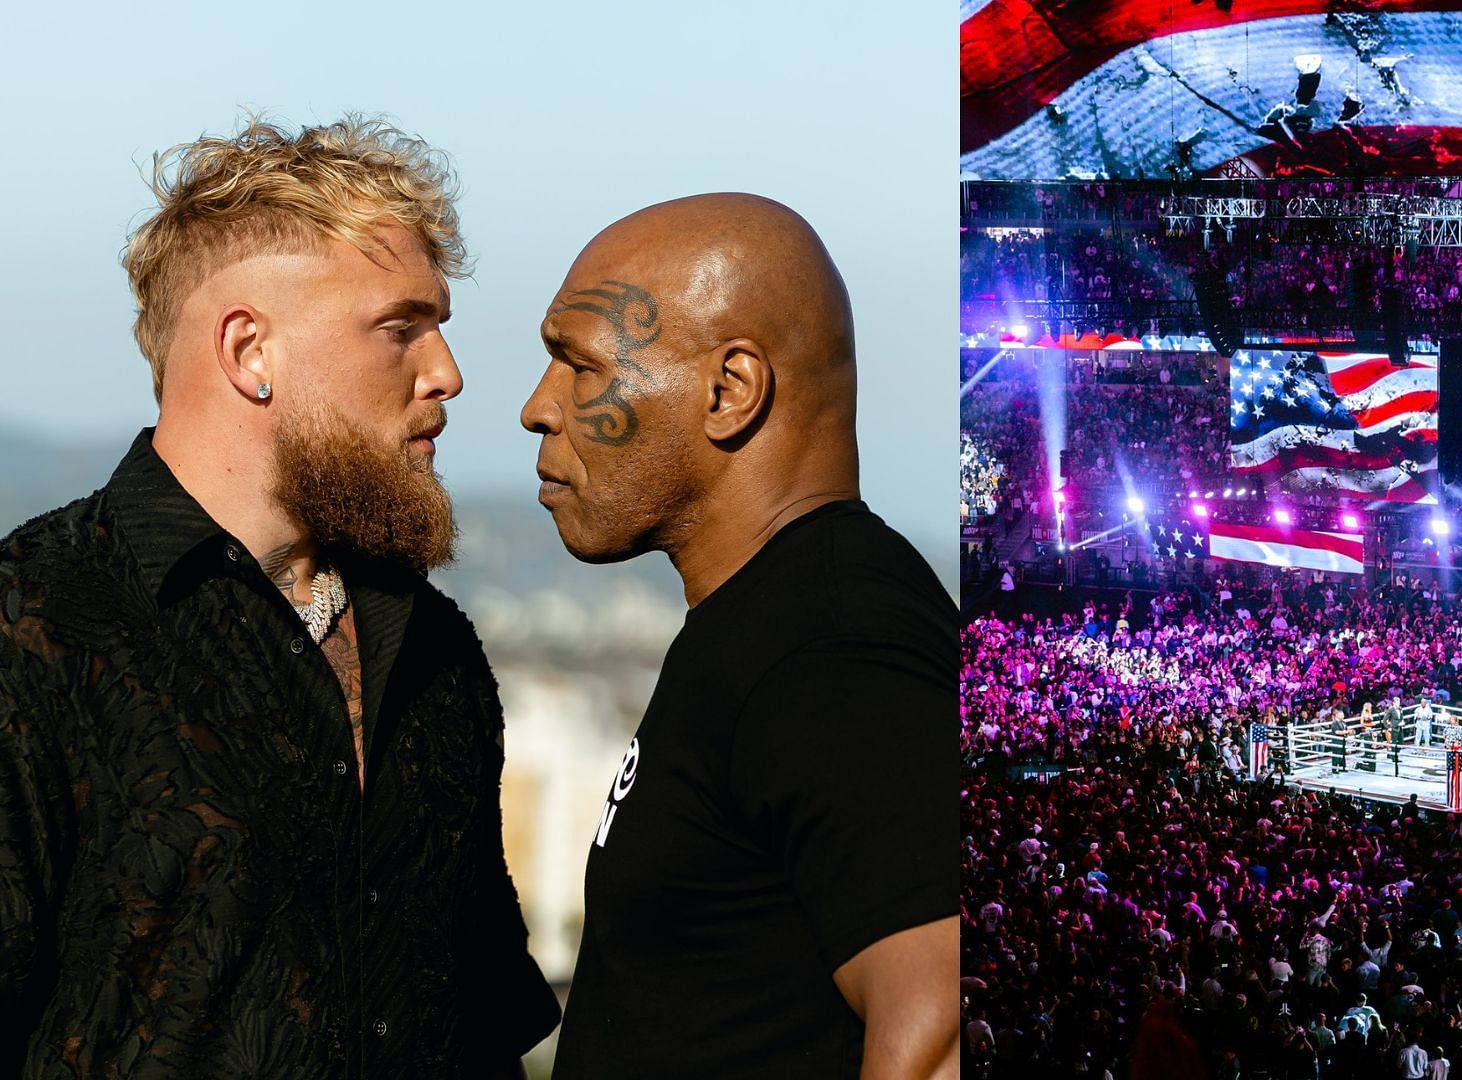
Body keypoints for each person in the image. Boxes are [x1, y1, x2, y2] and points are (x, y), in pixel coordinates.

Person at [0, 116, 556, 1074]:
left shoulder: (435, 650)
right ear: (250, 351)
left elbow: (481, 1022)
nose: (447, 375)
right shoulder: (32, 626)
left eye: (440, 329)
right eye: (401, 329)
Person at [524, 194, 958, 1078]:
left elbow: (941, 1022)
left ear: (729, 391)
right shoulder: (771, 621)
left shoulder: (833, 644)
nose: (539, 407)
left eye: (579, 365)